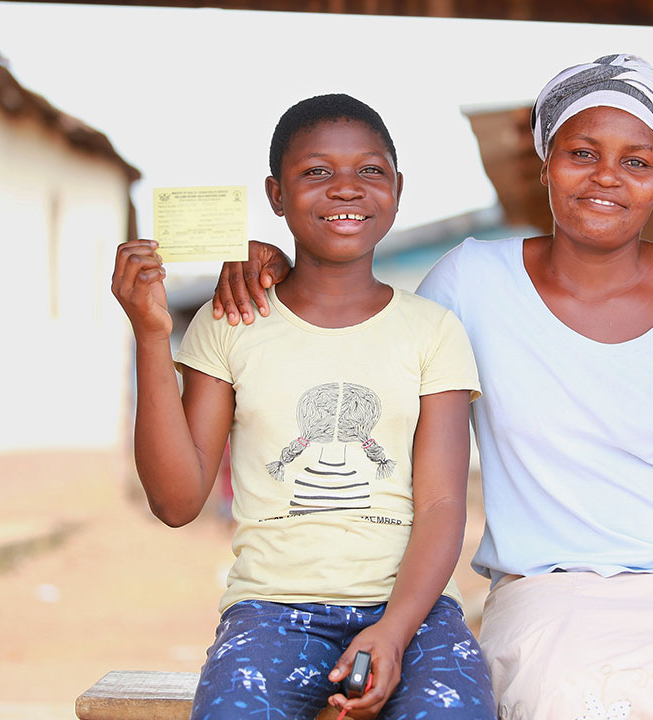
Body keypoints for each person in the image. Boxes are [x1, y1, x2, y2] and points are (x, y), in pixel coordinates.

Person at [210, 56, 653, 720]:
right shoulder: (472, 281)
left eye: (637, 161)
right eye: (582, 152)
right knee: (576, 704)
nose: (606, 178)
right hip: (546, 589)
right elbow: (356, 297)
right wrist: (271, 258)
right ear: (546, 164)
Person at [111, 93, 495, 720]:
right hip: (270, 611)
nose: (346, 188)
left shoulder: (432, 331)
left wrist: (394, 632)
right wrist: (152, 335)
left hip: (416, 610)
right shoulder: (230, 322)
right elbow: (177, 503)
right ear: (275, 194)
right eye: (316, 171)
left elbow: (443, 504)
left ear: (397, 187)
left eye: (370, 171)